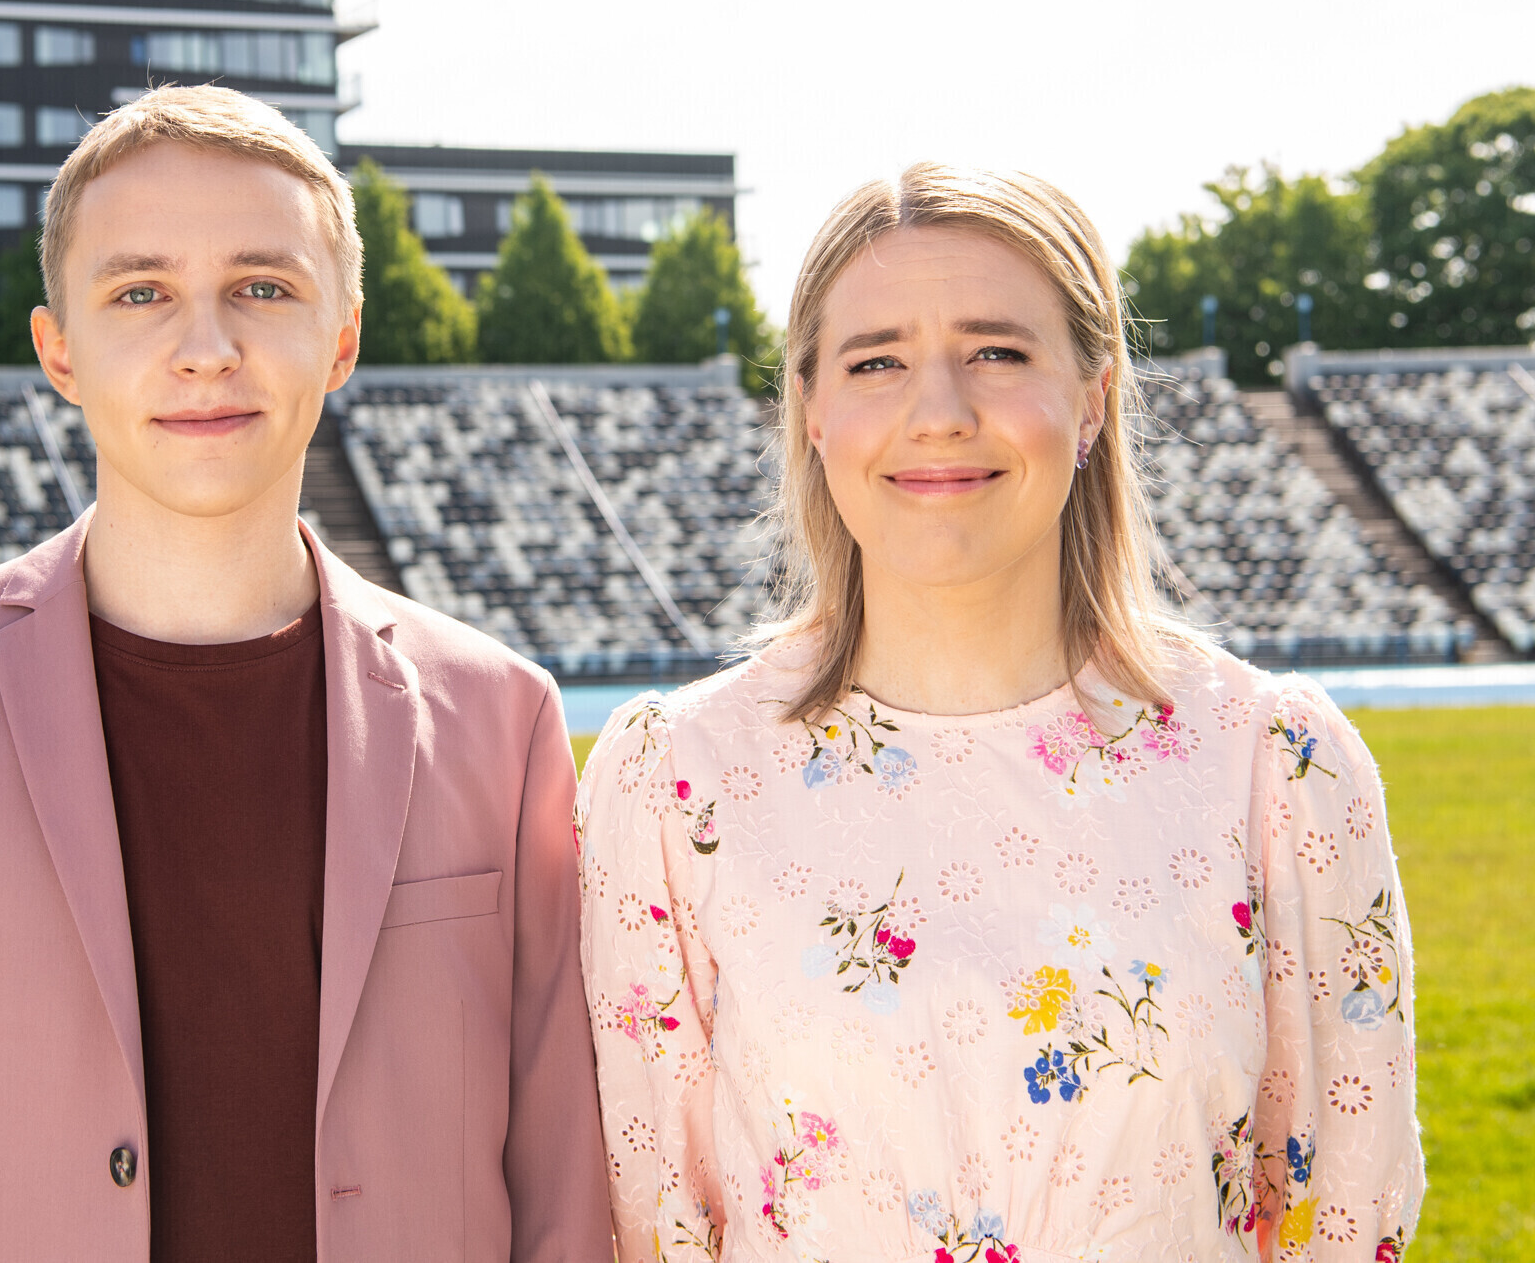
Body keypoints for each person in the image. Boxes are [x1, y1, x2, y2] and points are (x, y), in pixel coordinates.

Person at [0, 86, 610, 1262]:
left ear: (342, 339)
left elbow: (559, 1189)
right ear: (59, 351)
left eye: (263, 288)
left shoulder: (500, 718)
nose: (206, 348)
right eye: (139, 293)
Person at [575, 164, 1424, 1261]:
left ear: (1092, 398)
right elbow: (656, 1221)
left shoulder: (1276, 767)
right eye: (875, 362)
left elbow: (1337, 1211)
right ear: (812, 410)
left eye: (997, 353)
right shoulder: (673, 785)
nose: (939, 413)